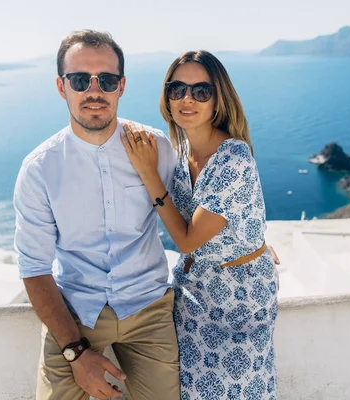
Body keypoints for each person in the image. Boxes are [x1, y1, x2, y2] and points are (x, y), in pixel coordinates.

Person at [13, 30, 180, 400]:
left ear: (121, 86)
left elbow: (193, 216)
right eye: (79, 80)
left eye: (106, 80)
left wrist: (251, 245)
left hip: (147, 307)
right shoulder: (40, 169)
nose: (94, 90)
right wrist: (74, 351)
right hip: (75, 312)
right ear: (62, 87)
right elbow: (34, 268)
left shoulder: (158, 149)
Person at [121, 50, 278, 400]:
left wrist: (148, 173)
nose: (187, 99)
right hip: (194, 290)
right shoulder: (180, 151)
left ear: (218, 99)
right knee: (194, 389)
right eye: (177, 89)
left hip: (240, 299)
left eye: (200, 91)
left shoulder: (233, 158)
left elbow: (188, 239)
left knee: (237, 390)